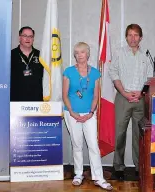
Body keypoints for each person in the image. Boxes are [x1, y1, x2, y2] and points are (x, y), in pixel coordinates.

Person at [63, 42, 112, 190]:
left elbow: (96, 96)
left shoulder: (95, 73)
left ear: (88, 54)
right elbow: (64, 95)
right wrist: (72, 112)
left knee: (93, 146)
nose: (79, 55)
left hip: (89, 114)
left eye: (82, 52)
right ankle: (78, 174)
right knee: (77, 144)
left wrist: (91, 113)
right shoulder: (68, 71)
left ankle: (99, 177)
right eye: (77, 52)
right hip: (71, 113)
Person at [109, 24, 153, 180]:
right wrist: (124, 93)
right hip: (123, 98)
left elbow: (150, 77)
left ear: (140, 37)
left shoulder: (146, 56)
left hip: (140, 100)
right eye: (130, 35)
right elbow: (113, 72)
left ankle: (139, 167)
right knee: (119, 134)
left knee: (139, 135)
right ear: (126, 37)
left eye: (136, 35)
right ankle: (118, 167)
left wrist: (140, 94)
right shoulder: (119, 53)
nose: (133, 38)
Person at [10, 26, 44, 101]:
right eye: (25, 36)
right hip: (16, 100)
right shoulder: (10, 55)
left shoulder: (41, 55)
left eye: (31, 36)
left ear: (33, 39)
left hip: (36, 100)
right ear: (19, 38)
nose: (28, 39)